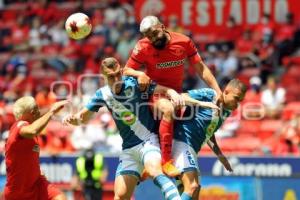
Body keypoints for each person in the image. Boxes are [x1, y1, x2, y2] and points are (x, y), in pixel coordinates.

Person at [64, 57, 218, 200]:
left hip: (148, 141)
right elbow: (82, 118)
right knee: (121, 195)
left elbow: (160, 90)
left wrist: (170, 91)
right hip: (129, 149)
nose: (117, 79)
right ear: (103, 77)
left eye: (118, 74)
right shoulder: (102, 95)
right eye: (111, 77)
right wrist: (73, 119)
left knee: (154, 171)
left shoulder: (134, 83)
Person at [123, 15, 222, 175]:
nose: (153, 39)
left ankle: (157, 165)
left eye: (154, 34)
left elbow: (201, 68)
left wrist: (217, 90)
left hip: (176, 93)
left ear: (162, 26)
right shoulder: (142, 47)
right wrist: (139, 74)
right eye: (149, 37)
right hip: (154, 93)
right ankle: (166, 163)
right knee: (168, 109)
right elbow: (126, 70)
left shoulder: (183, 41)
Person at [172, 79, 247, 199]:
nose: (237, 104)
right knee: (192, 187)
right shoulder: (209, 94)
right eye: (236, 98)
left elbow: (209, 133)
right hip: (182, 141)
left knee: (193, 192)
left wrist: (220, 156)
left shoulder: (226, 112)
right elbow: (180, 97)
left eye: (240, 100)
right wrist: (201, 103)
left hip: (192, 149)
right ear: (226, 92)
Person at [4, 96, 68, 200]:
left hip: (36, 183)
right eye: (36, 109)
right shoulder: (19, 125)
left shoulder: (31, 127)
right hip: (18, 189)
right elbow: (32, 130)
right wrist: (51, 112)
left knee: (60, 197)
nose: (38, 112)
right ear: (32, 112)